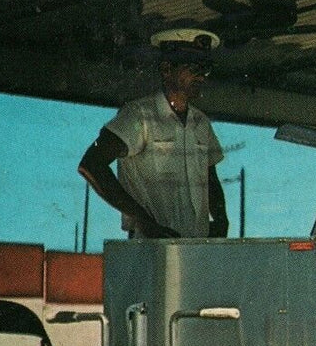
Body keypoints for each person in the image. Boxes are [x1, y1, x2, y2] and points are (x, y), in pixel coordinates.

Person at [78, 28, 228, 239]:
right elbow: (92, 164)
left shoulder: (201, 122)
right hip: (150, 246)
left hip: (196, 248)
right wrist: (141, 219)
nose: (201, 77)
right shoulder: (140, 116)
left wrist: (221, 220)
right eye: (194, 67)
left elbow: (210, 177)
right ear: (166, 69)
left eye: (205, 69)